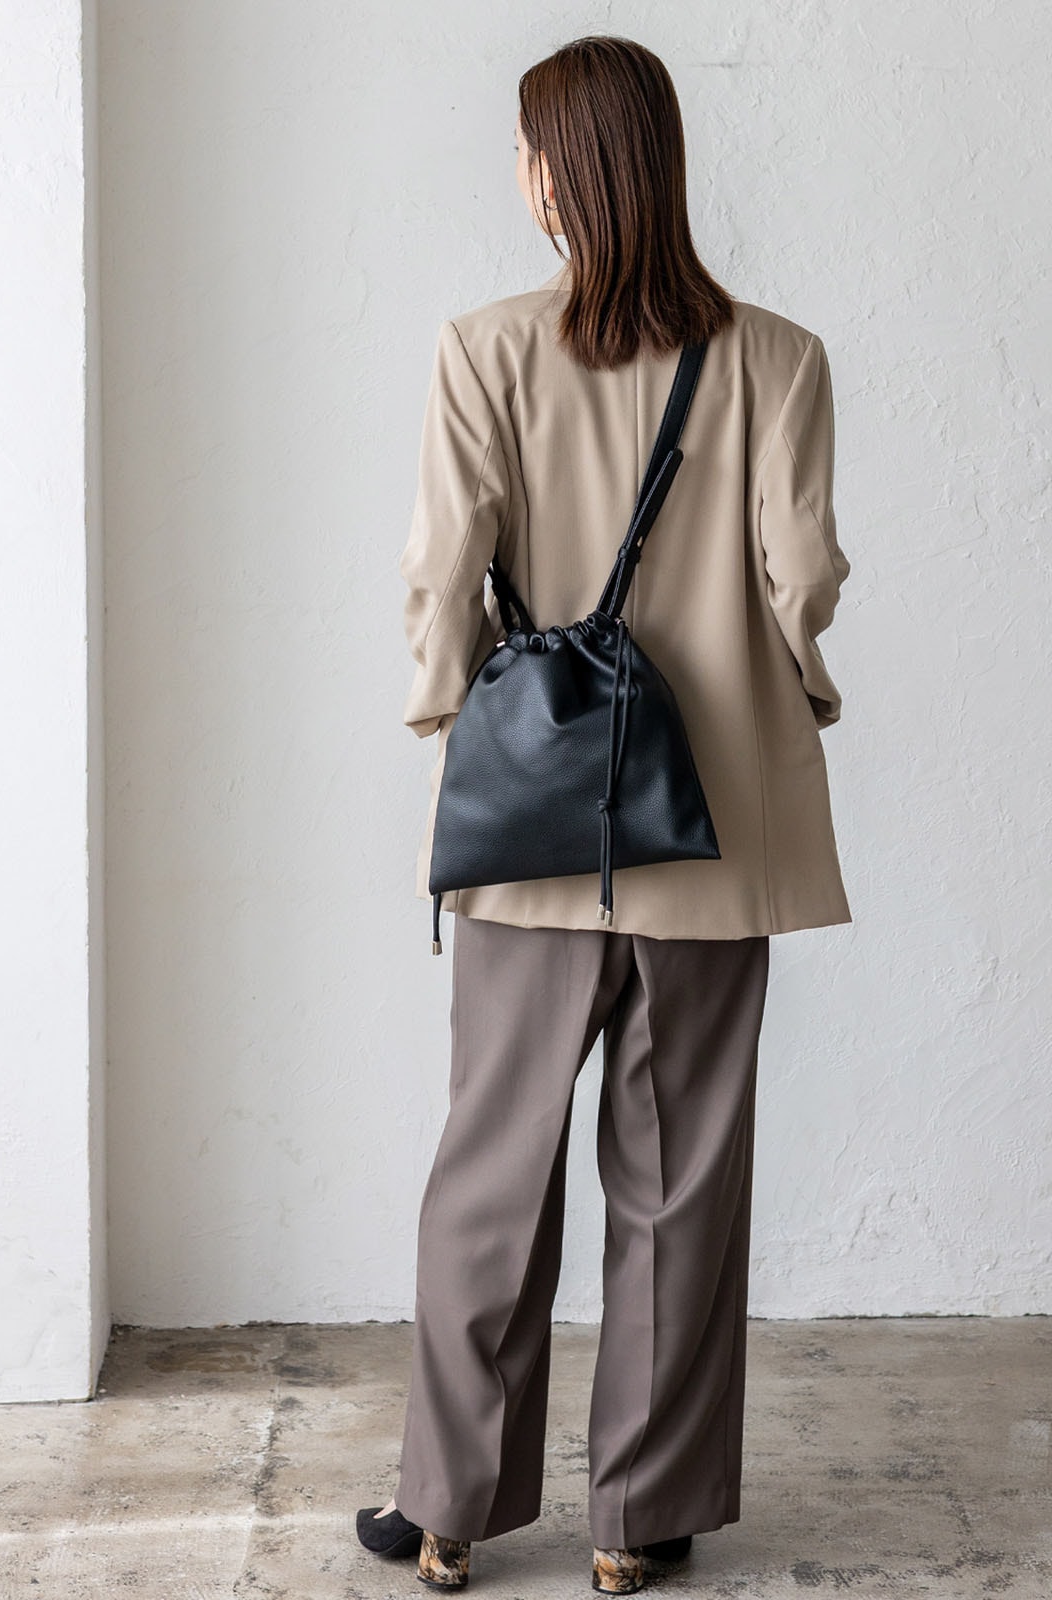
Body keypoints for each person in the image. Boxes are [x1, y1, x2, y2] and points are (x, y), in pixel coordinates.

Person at [356, 33, 853, 1595]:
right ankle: (636, 1525)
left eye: (524, 151)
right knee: (679, 1183)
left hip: (530, 840)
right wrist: (786, 698)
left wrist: (453, 725)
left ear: (551, 178)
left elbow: (443, 576)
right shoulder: (777, 358)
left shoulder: (482, 350)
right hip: (711, 835)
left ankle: (447, 1510)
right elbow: (802, 580)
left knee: (488, 1170)